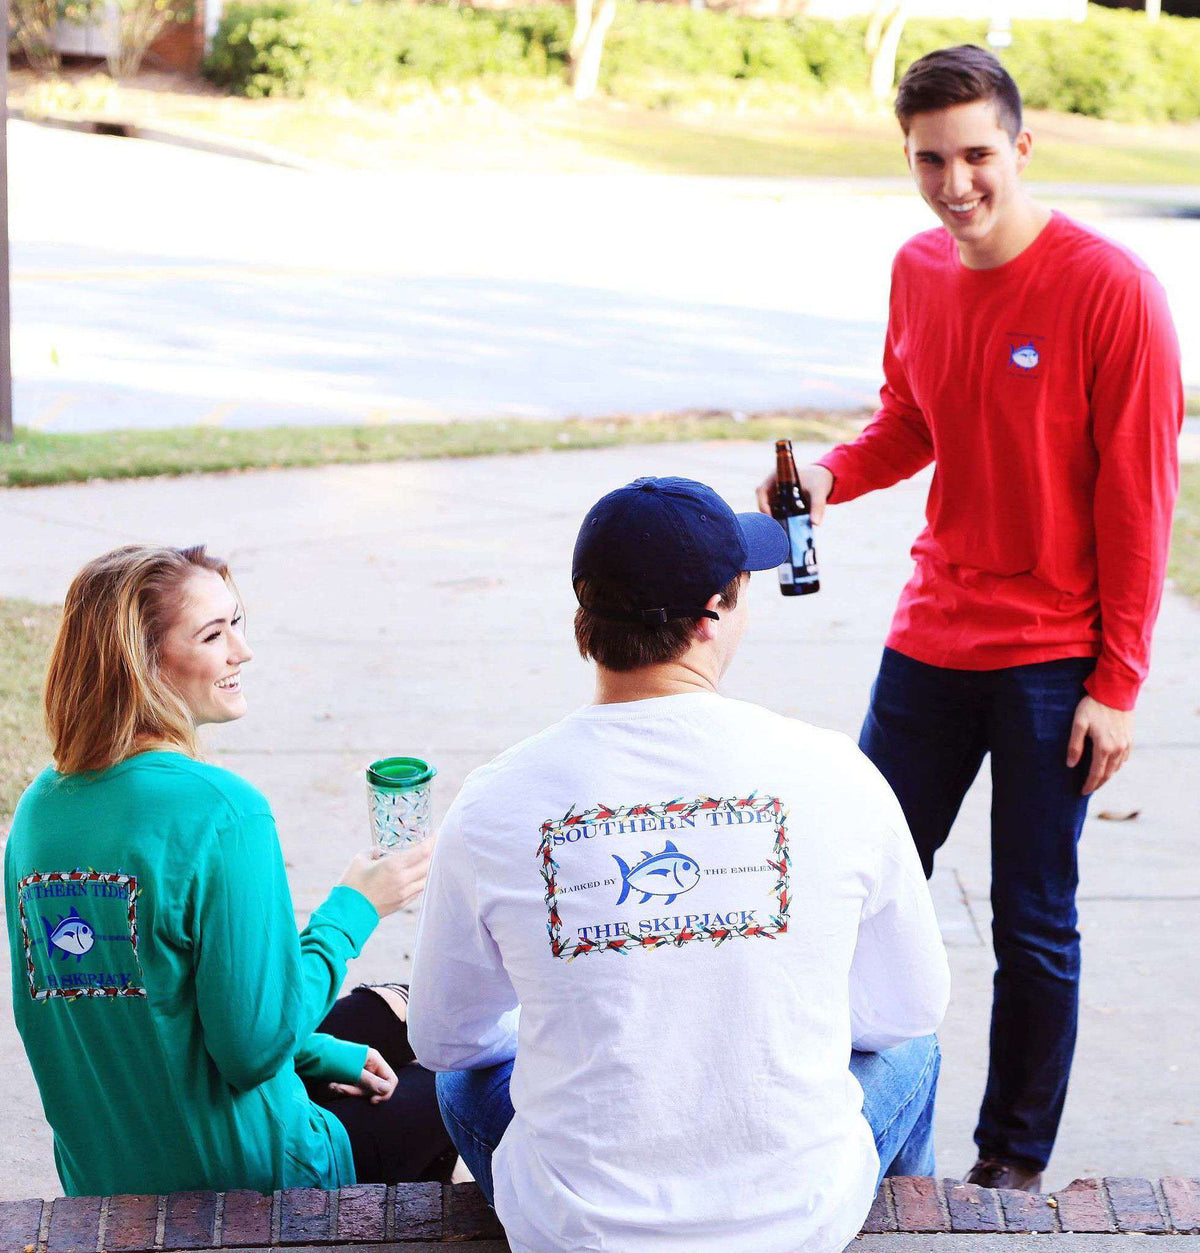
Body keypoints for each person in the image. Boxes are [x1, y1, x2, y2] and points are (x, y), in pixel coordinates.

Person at [756, 46, 1184, 1190]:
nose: (956, 184)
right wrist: (834, 478)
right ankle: (836, 1116)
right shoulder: (919, 269)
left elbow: (1139, 496)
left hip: (1056, 658)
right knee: (856, 883)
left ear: (1023, 148)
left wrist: (1120, 681)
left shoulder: (1112, 288)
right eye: (930, 160)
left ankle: (1010, 1162)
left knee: (1034, 921)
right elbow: (911, 416)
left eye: (978, 156)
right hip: (932, 633)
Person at [407, 476, 950, 1253]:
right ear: (712, 617)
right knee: (915, 1051)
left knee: (466, 1083)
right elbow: (907, 1010)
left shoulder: (495, 800)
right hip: (797, 1222)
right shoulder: (837, 772)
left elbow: (446, 1041)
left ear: (583, 621)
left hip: (578, 1232)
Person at [4, 544, 454, 1197]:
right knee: (473, 1068)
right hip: (253, 1178)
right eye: (214, 634)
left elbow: (153, 1002)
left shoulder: (39, 811)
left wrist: (326, 1055)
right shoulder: (223, 812)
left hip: (105, 1177)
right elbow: (252, 1050)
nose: (242, 651)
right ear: (141, 663)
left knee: (386, 1015)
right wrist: (355, 908)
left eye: (237, 623)